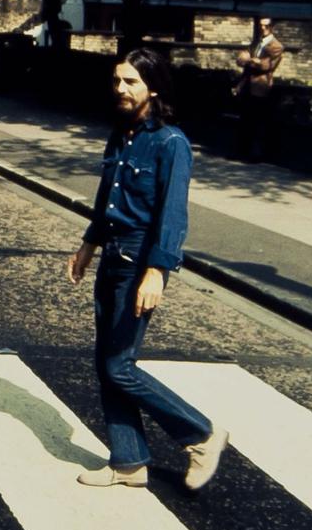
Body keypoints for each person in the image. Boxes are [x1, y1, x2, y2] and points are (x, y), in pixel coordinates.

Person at [68, 48, 227, 490]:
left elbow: (172, 215)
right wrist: (88, 244)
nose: (120, 89)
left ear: (152, 88)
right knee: (107, 363)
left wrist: (157, 271)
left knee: (121, 365)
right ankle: (129, 461)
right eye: (117, 80)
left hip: (139, 260)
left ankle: (200, 435)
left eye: (131, 82)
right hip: (113, 254)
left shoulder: (170, 143)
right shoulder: (122, 134)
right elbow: (108, 198)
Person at [233, 17, 283, 161]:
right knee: (245, 119)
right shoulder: (255, 43)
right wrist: (251, 60)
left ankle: (256, 154)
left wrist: (251, 60)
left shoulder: (276, 46)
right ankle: (242, 152)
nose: (263, 28)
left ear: (271, 27)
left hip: (261, 86)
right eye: (260, 25)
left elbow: (266, 66)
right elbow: (240, 60)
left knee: (258, 121)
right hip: (247, 85)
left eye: (266, 26)